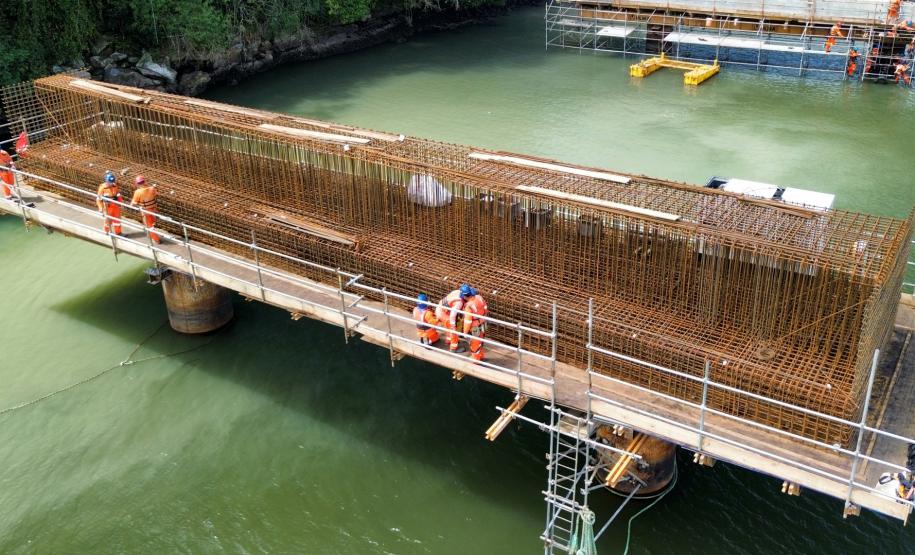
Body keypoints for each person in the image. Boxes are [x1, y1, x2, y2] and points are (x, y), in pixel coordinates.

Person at [435, 283, 475, 354]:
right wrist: (453, 325)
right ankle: (453, 348)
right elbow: (452, 315)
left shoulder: (457, 291)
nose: (470, 298)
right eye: (469, 296)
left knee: (448, 327)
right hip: (444, 314)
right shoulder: (459, 303)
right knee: (453, 331)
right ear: (465, 296)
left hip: (440, 309)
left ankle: (449, 340)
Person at [130, 175, 159, 243]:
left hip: (145, 212)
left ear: (137, 183)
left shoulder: (138, 192)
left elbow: (133, 204)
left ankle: (156, 240)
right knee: (152, 225)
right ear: (145, 181)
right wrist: (153, 187)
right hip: (154, 210)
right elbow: (156, 193)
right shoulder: (152, 189)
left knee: (149, 226)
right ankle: (152, 235)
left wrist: (137, 206)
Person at [463, 290, 489, 362]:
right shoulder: (479, 298)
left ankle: (475, 359)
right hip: (483, 323)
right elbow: (485, 309)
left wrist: (465, 332)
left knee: (475, 342)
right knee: (481, 340)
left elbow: (468, 321)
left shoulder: (468, 306)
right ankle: (481, 356)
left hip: (475, 327)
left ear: (465, 296)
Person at [96, 170, 123, 235]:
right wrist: (100, 208)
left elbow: (118, 195)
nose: (111, 184)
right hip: (108, 207)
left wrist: (120, 202)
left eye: (112, 182)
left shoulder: (114, 186)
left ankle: (118, 233)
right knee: (108, 221)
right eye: (110, 182)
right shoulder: (102, 188)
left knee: (117, 221)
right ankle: (107, 232)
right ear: (106, 181)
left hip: (116, 206)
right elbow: (98, 199)